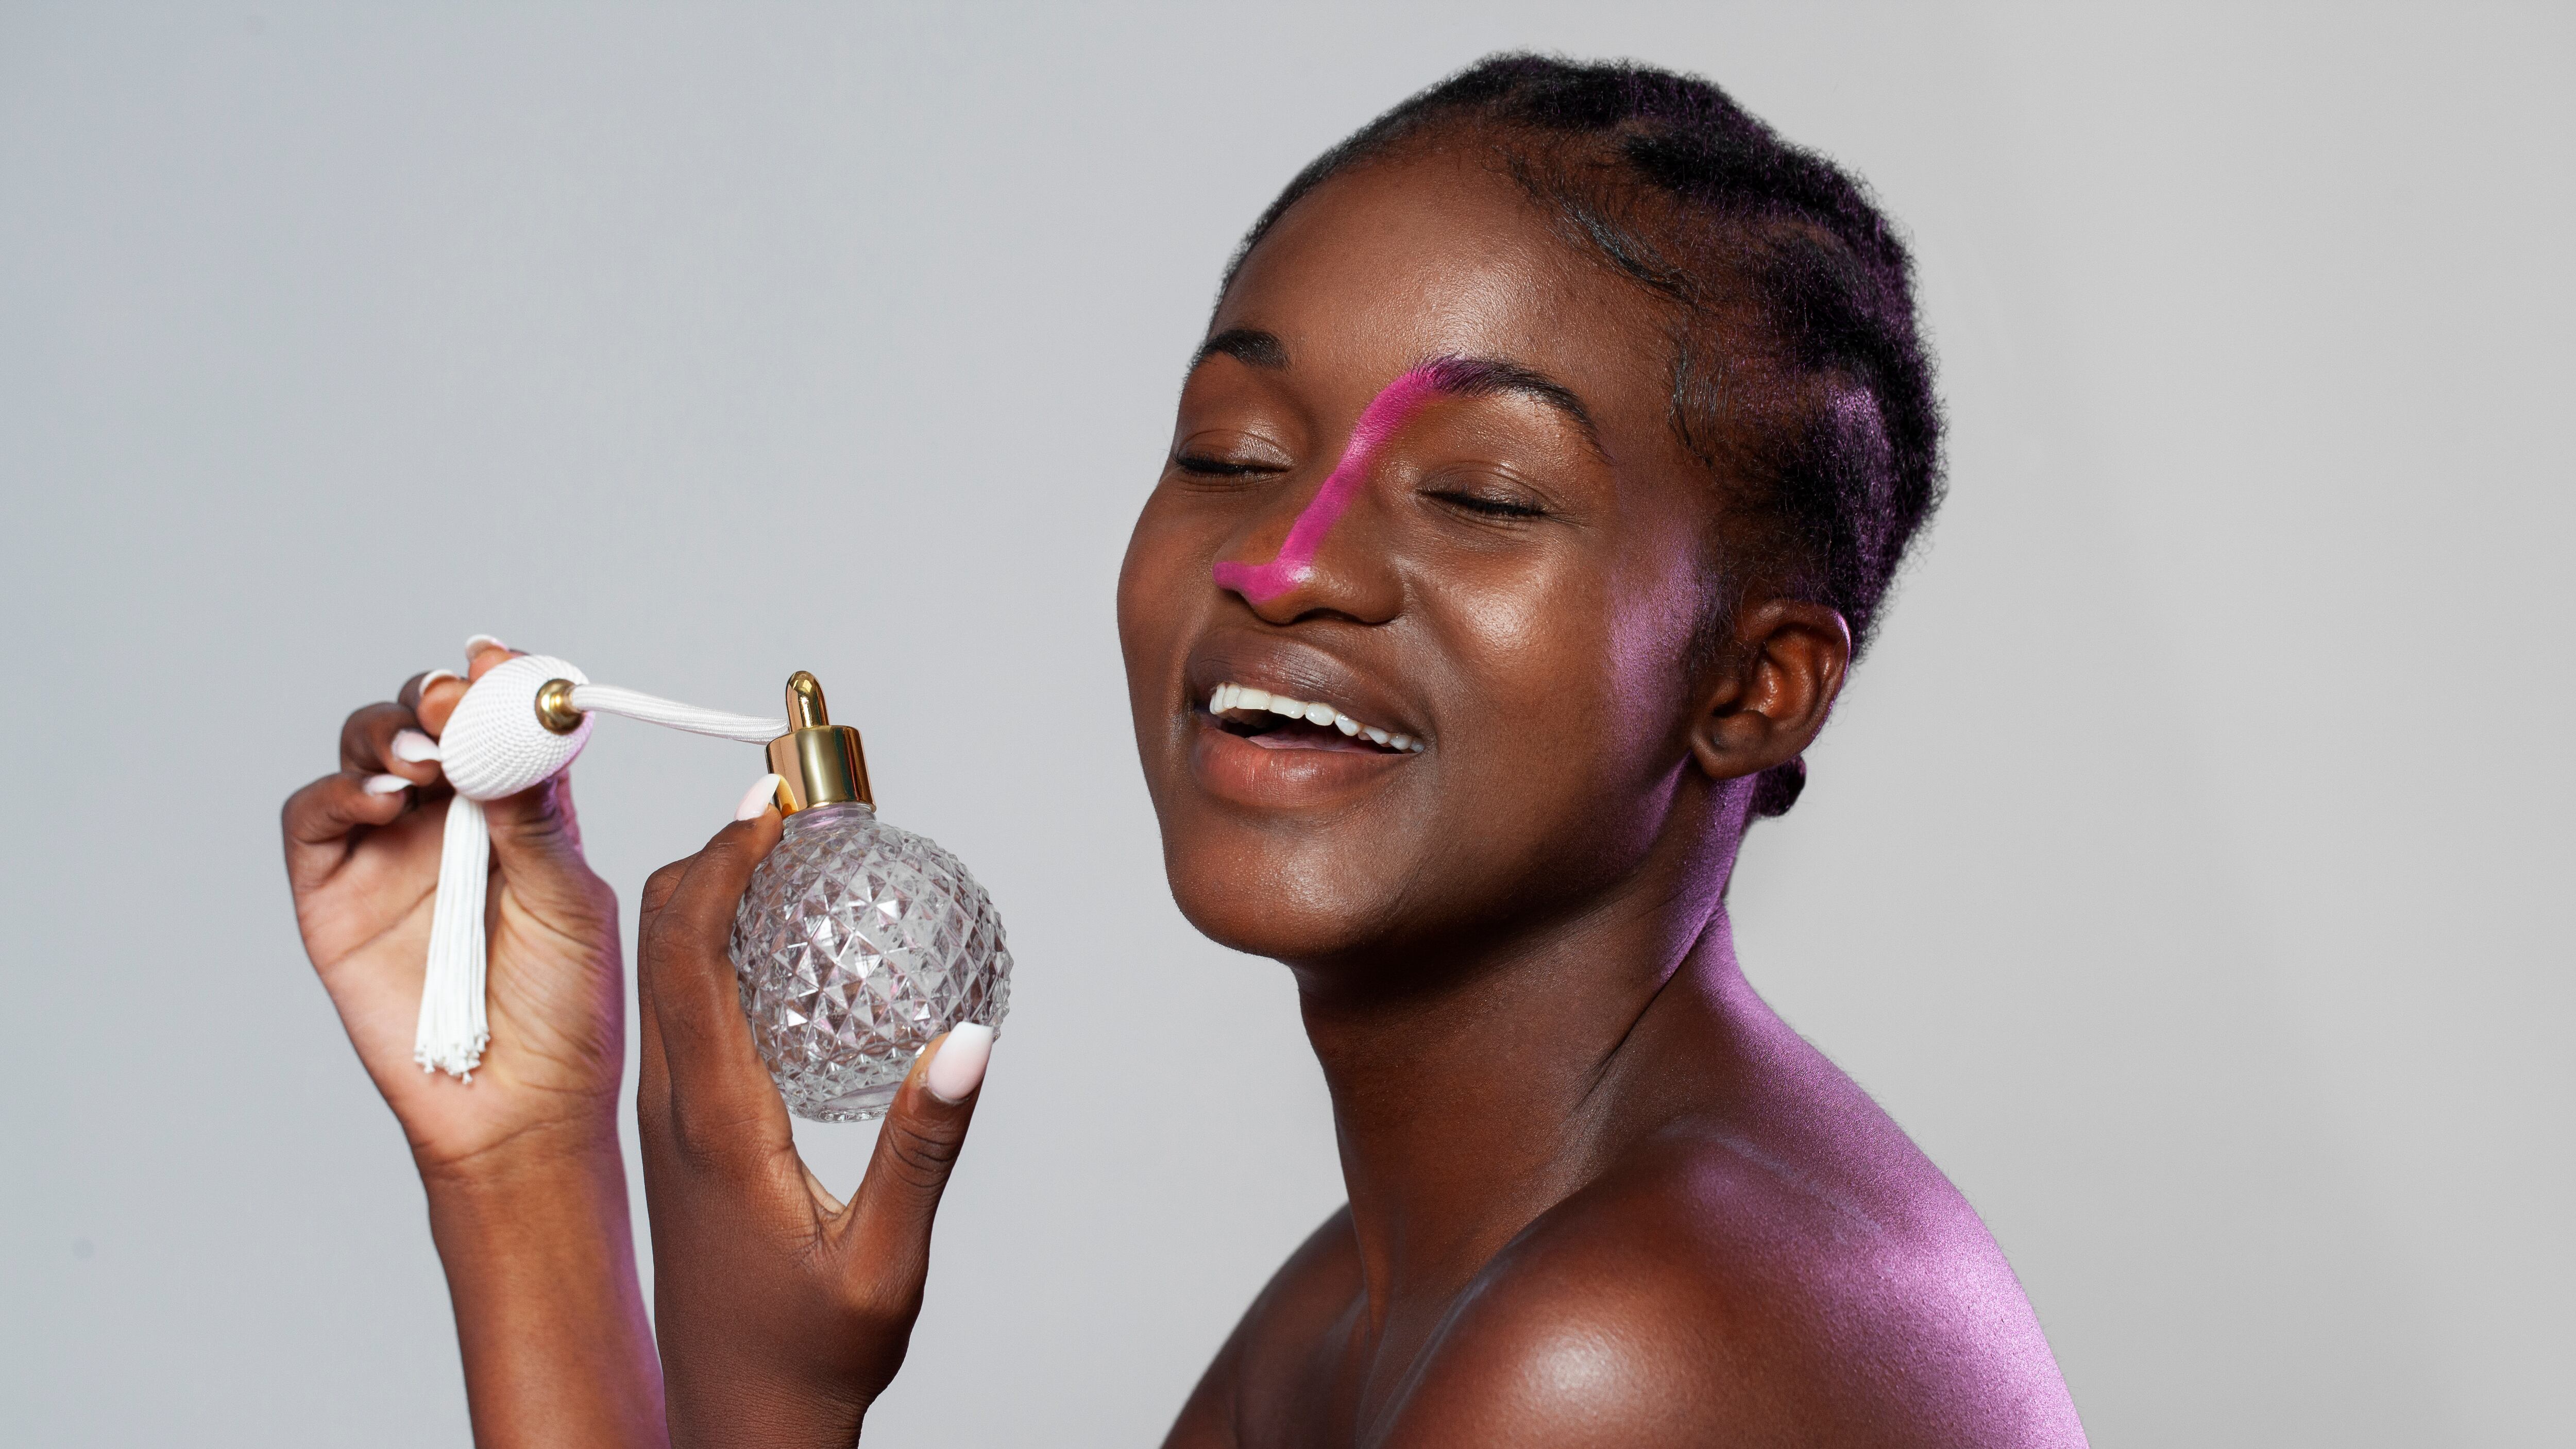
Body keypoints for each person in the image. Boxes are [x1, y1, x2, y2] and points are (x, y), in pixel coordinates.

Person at [282, 54, 2088, 1447]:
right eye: (1231, 450)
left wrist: (771, 1404)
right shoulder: (1376, 1305)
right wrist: (522, 1161)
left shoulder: (1643, 1345)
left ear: (1755, 687)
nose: (1280, 559)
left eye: (1480, 492)